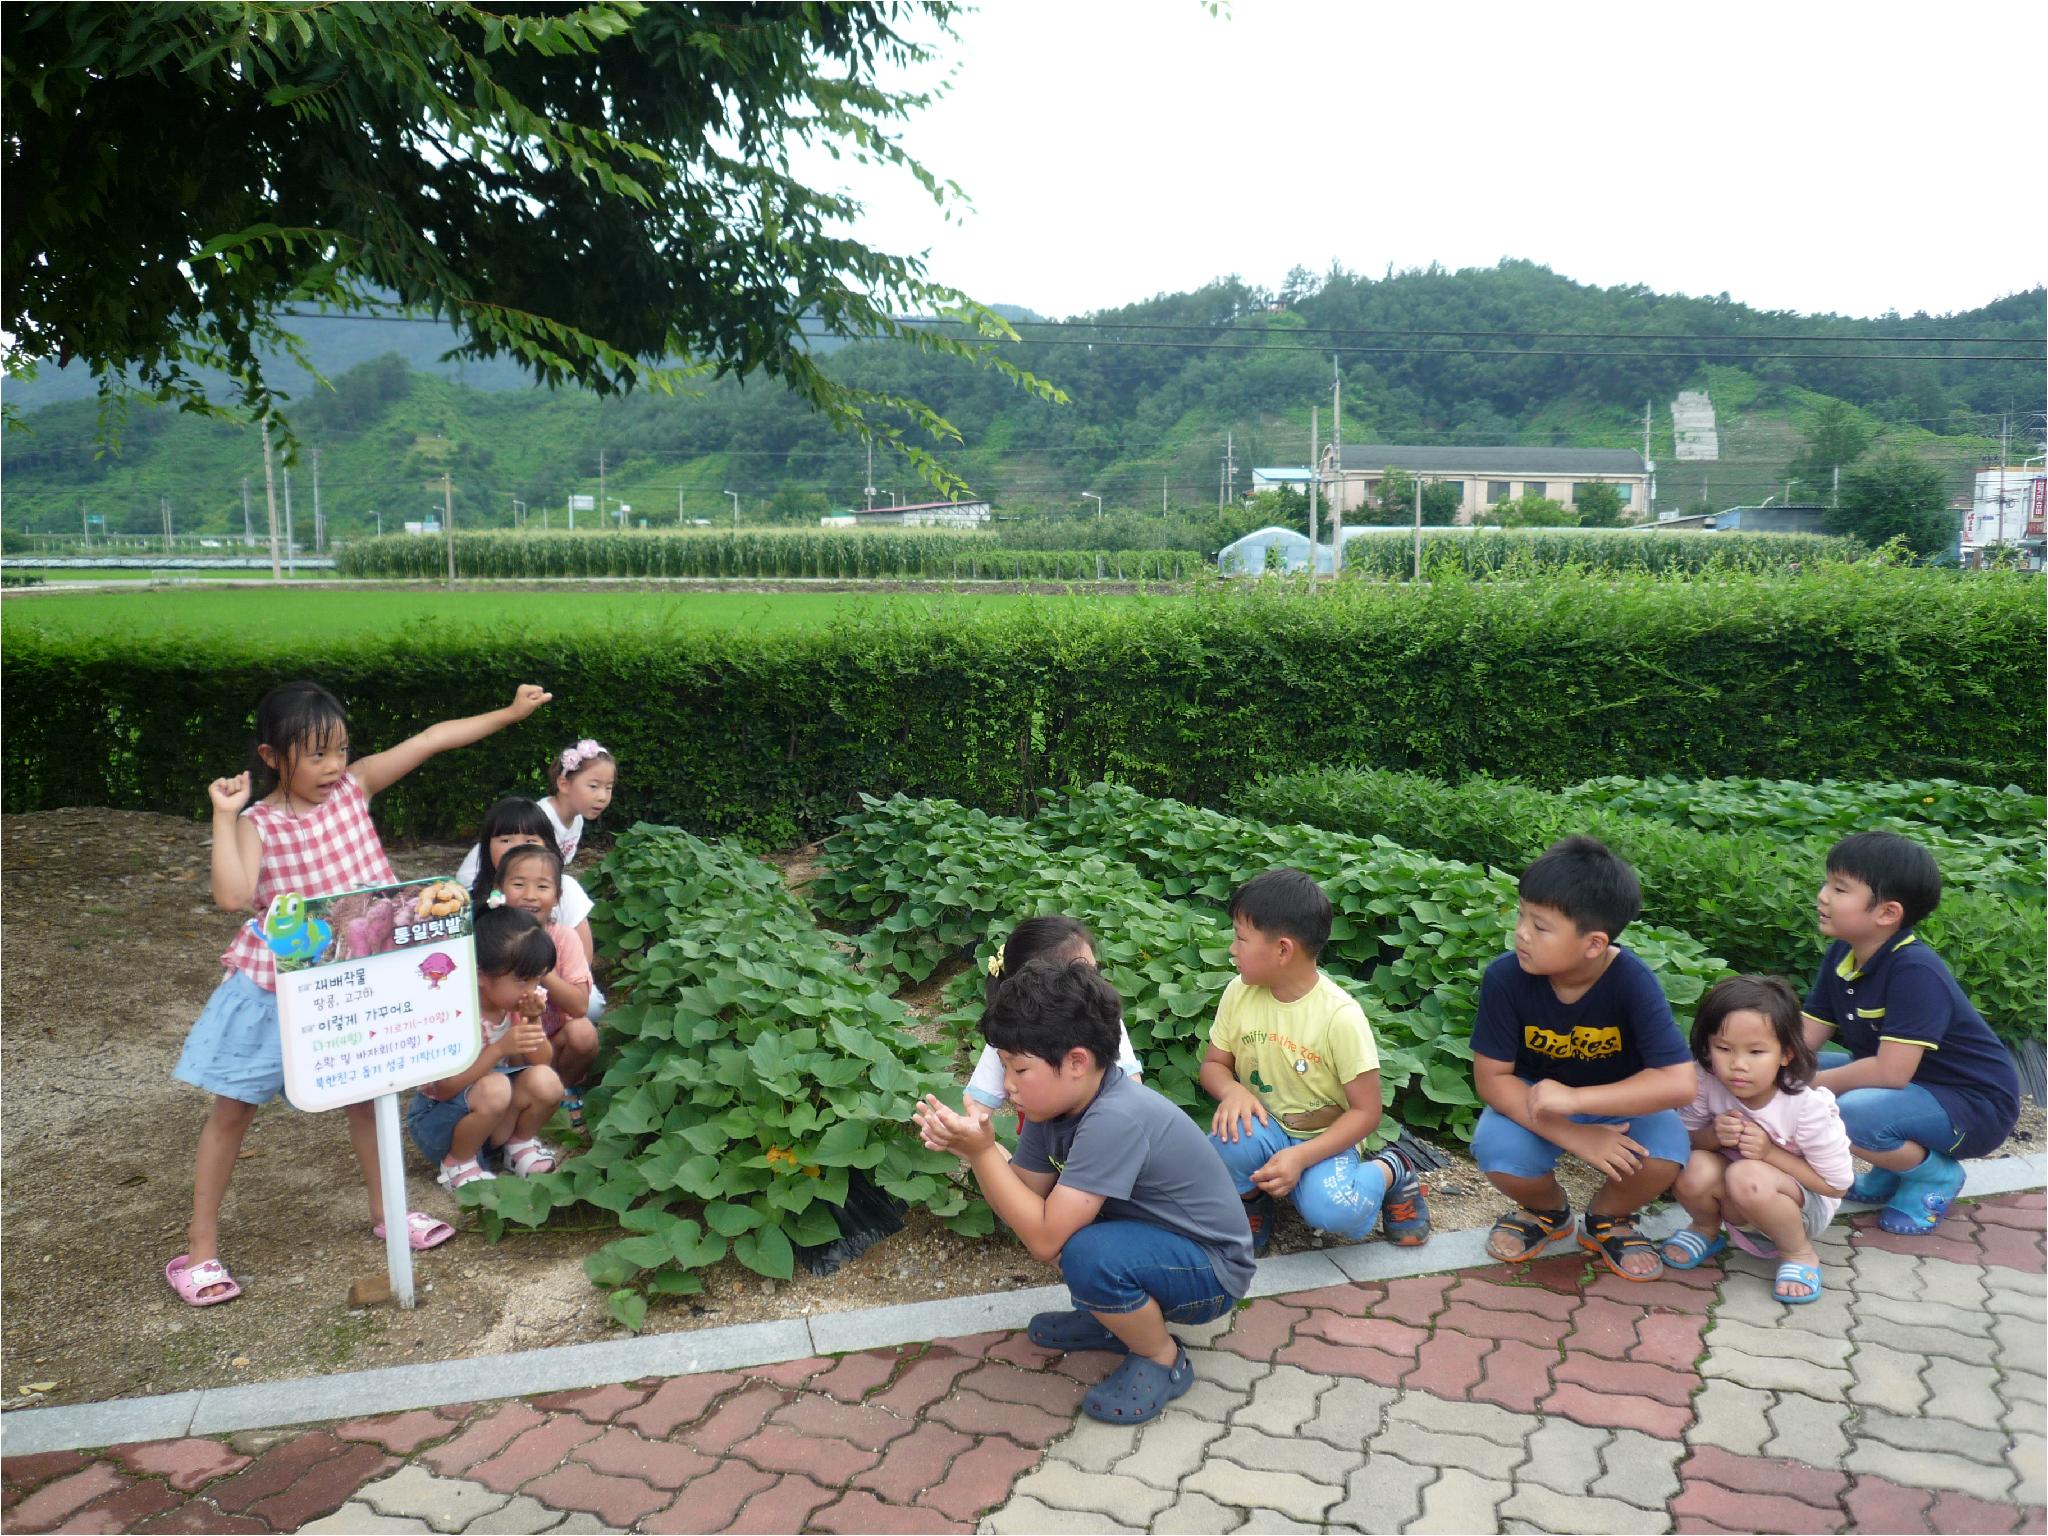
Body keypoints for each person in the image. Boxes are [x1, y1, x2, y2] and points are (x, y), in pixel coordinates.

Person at [167, 679, 551, 1306]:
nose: (333, 767)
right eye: (315, 754)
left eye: (340, 750)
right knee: (233, 1111)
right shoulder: (259, 824)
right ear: (271, 757)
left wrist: (509, 713)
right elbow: (233, 897)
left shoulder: (354, 789)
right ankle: (200, 1251)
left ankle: (389, 1213)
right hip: (281, 989)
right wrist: (222, 814)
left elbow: (431, 740)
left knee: (368, 1098)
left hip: (362, 984)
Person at [913, 959, 1254, 1425]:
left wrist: (984, 1154)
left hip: (1211, 1271)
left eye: (1019, 1069)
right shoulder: (1052, 1107)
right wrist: (974, 1150)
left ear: (1076, 1061)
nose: (1007, 1085)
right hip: (1153, 1242)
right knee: (1075, 1239)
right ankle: (1113, 1318)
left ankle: (1161, 1358)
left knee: (1085, 1252)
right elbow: (1023, 1199)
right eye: (1004, 1066)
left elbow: (1044, 1238)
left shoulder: (1115, 1118)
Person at [1470, 836, 1697, 1281]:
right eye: (1521, 915)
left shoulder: (1632, 982)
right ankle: (1548, 1211)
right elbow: (1493, 1079)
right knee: (1497, 1150)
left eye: (1540, 926)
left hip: (1617, 1102)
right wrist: (1574, 1134)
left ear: (1594, 943)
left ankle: (1608, 1217)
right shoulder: (1505, 978)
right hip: (1536, 1103)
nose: (1520, 932)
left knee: (1665, 1153)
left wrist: (1577, 1101)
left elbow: (1679, 1083)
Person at [1201, 868, 1429, 1255]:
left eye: (1241, 939)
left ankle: (1393, 1170)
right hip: (1265, 1126)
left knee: (1335, 1213)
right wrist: (1232, 1090)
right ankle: (1253, 1201)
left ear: (1283, 950)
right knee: (1218, 1150)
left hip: (1325, 1140)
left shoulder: (1340, 1016)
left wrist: (1301, 1156)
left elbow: (1366, 1113)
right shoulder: (1238, 992)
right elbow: (1213, 1064)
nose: (1232, 949)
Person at [1804, 832, 2020, 1235]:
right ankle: (1894, 1171)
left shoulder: (1914, 970)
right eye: (1827, 884)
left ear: (1887, 913)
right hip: (1914, 1089)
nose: (1822, 896)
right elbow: (1806, 1038)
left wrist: (1810, 1086)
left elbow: (1890, 1074)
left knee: (1844, 1109)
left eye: (1839, 889)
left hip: (1972, 1104)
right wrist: (1767, 1068)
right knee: (1802, 1074)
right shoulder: (1842, 953)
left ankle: (1934, 1176)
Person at [1662, 976, 1853, 1304]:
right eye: (1723, 1049)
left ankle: (1798, 1253)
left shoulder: (1806, 1106)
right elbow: (1688, 1141)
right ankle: (1705, 1229)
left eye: (1756, 1051)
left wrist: (1768, 1152)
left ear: (1785, 1054)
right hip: (1738, 1195)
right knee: (1688, 1165)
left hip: (1803, 1205)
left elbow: (1836, 1186)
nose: (1738, 1064)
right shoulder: (1707, 1081)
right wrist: (1711, 1135)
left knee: (1746, 1174)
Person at [407, 906, 565, 1188]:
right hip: (440, 1119)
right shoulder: (457, 1013)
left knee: (547, 1082)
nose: (531, 989)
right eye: (522, 979)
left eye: (537, 978)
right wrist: (499, 1049)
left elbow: (543, 1062)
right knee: (496, 1087)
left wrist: (531, 1018)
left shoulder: (514, 1005)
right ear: (481, 975)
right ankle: (457, 1163)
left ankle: (517, 1146)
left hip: (490, 1110)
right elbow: (444, 1088)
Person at [964, 916, 1141, 1120]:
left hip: (1104, 1127)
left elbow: (1132, 1089)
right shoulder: (1010, 1034)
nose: (1095, 983)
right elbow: (976, 1106)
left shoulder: (1103, 1020)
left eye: (1093, 972)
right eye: (1081, 974)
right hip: (1040, 1138)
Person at [486, 843, 598, 1100]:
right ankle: (522, 1099)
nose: (530, 895)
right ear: (499, 889)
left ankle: (562, 1093)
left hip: (552, 1042)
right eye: (518, 884)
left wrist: (538, 965)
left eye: (543, 887)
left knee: (583, 1033)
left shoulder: (564, 937)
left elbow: (580, 1007)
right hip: (503, 1046)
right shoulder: (488, 937)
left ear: (558, 896)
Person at [542, 738, 615, 868]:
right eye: (593, 786)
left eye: (608, 788)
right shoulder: (540, 818)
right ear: (564, 784)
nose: (603, 797)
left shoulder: (577, 820)